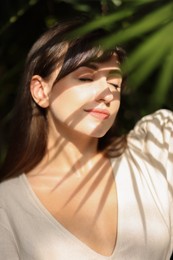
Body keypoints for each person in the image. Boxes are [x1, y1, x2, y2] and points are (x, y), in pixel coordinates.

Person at [0, 18, 172, 260]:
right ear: (41, 91)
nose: (107, 94)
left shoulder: (153, 149)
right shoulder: (7, 207)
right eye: (85, 78)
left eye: (115, 83)